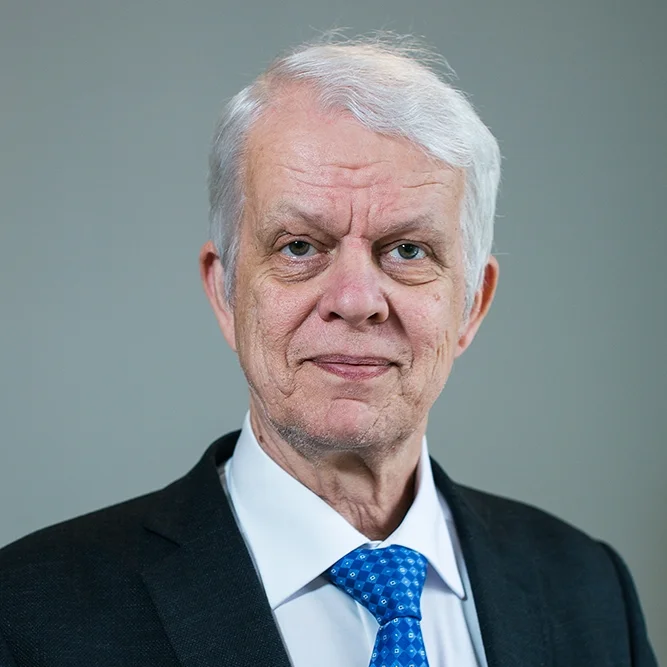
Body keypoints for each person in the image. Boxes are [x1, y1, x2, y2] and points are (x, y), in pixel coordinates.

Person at [0, 33, 657, 667]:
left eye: (407, 250)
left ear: (471, 304)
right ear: (225, 291)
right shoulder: (31, 615)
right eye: (299, 246)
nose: (355, 299)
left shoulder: (589, 589)